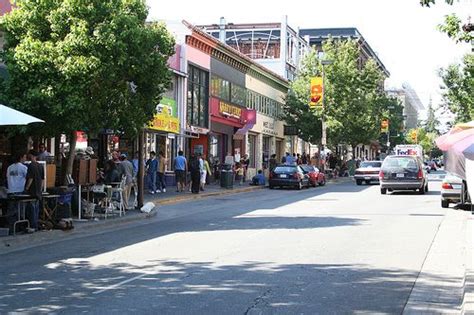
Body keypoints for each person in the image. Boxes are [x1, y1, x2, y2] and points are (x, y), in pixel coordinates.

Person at [6, 152, 27, 233]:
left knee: (11, 211)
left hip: (11, 190)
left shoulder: (9, 168)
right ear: (21, 157)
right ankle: (19, 228)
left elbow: (7, 177)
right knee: (20, 210)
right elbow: (28, 177)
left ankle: (11, 229)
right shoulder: (23, 168)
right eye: (25, 157)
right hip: (20, 191)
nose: (25, 159)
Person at [24, 150, 44, 231]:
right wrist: (41, 188)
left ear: (32, 156)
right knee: (36, 207)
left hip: (32, 189)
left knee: (32, 208)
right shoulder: (40, 166)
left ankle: (33, 224)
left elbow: (30, 178)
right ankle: (35, 224)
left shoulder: (31, 166)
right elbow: (43, 179)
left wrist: (27, 188)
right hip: (38, 189)